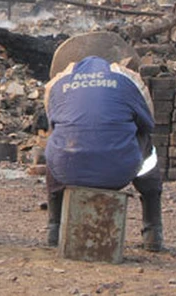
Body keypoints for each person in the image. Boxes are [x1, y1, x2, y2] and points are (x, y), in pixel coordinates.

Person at [42, 31, 163, 252]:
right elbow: (149, 123)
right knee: (148, 147)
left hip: (67, 172)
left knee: (57, 144)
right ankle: (153, 230)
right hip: (118, 172)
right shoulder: (127, 79)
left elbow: (53, 121)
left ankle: (54, 228)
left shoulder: (58, 82)